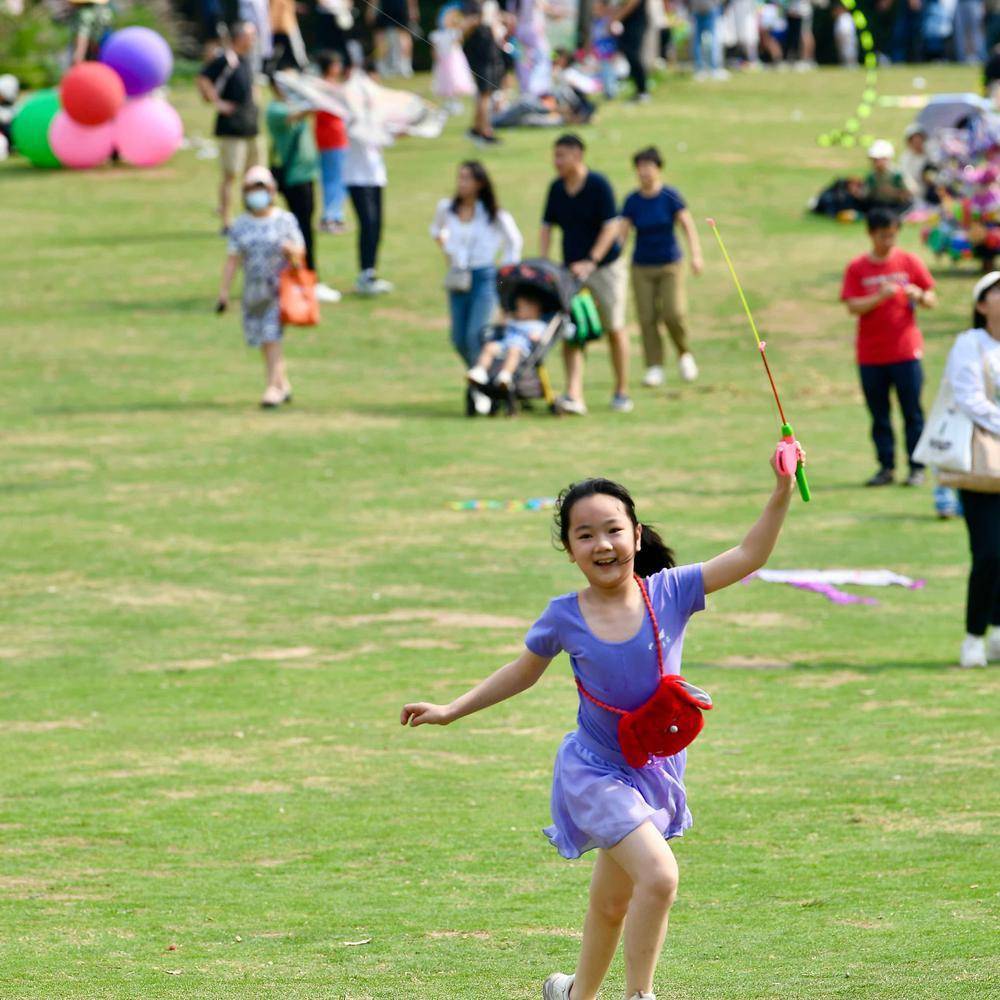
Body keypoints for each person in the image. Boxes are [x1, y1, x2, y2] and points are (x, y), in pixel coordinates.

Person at [400, 451, 800, 1000]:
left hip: (651, 769)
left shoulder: (672, 591)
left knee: (613, 903)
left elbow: (750, 554)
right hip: (594, 771)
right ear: (570, 551)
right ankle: (641, 996)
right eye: (585, 535)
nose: (602, 544)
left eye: (613, 530)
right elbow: (521, 673)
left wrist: (780, 491)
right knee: (658, 877)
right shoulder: (563, 615)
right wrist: (450, 708)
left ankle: (572, 994)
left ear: (636, 535)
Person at [841, 207, 936, 487]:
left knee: (913, 413)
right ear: (871, 234)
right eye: (883, 236)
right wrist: (879, 297)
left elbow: (932, 297)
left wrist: (919, 295)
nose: (889, 241)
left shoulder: (909, 261)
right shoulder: (857, 268)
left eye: (893, 235)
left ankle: (917, 467)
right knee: (879, 414)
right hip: (871, 355)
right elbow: (852, 306)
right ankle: (886, 467)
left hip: (906, 352)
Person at [540, 134, 631, 414]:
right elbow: (547, 227)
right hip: (570, 270)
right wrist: (544, 264)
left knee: (614, 327)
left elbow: (610, 227)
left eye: (562, 156)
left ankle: (621, 391)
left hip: (605, 267)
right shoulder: (556, 188)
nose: (556, 162)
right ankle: (574, 394)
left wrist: (592, 260)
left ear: (577, 156)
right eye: (555, 156)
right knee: (572, 330)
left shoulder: (598, 185)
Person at [217, 166, 305, 408]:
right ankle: (283, 383)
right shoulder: (241, 225)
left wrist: (291, 251)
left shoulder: (285, 220)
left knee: (271, 336)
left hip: (279, 288)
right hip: (253, 291)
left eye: (261, 189)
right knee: (264, 339)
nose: (257, 194)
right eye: (252, 190)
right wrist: (224, 292)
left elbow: (300, 252)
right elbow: (233, 259)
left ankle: (273, 388)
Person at [431, 161, 523, 383]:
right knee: (458, 338)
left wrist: (504, 277)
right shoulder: (447, 208)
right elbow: (436, 229)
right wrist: (445, 246)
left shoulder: (492, 214)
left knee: (476, 335)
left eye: (467, 178)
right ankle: (483, 377)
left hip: (485, 276)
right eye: (460, 178)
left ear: (480, 183)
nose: (462, 183)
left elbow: (514, 242)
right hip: (458, 275)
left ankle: (482, 381)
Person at [949, 272, 1000, 668]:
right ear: (981, 304)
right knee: (987, 552)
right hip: (983, 463)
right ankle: (973, 635)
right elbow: (969, 398)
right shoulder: (970, 344)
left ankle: (998, 630)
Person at [620, 146, 702, 389]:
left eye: (649, 166)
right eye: (640, 167)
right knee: (646, 317)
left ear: (658, 169)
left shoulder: (670, 196)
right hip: (641, 265)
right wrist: (616, 258)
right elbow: (623, 232)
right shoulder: (632, 201)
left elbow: (687, 225)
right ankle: (654, 366)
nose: (644, 172)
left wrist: (696, 255)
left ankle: (684, 354)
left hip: (670, 264)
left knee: (673, 313)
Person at [266, 77, 342, 303]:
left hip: (306, 176)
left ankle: (303, 275)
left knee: (304, 228)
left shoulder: (292, 104)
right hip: (294, 178)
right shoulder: (276, 109)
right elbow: (298, 115)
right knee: (302, 230)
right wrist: (315, 97)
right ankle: (307, 278)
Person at [197, 22, 262, 235]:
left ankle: (253, 216)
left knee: (255, 175)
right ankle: (227, 221)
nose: (253, 40)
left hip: (251, 125)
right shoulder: (226, 60)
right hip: (232, 128)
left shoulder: (247, 61)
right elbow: (203, 78)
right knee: (231, 175)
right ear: (239, 37)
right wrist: (218, 102)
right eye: (250, 35)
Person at [344, 92, 394, 296]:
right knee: (368, 223)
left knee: (377, 225)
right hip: (357, 179)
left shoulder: (375, 119)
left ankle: (371, 272)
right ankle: (364, 274)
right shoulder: (351, 120)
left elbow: (386, 139)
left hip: (375, 178)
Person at [466, 287, 547, 389]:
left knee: (513, 351)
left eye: (521, 308)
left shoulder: (537, 325)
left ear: (534, 310)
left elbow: (539, 337)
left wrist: (535, 337)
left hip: (521, 348)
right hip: (504, 344)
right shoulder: (514, 321)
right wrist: (504, 314)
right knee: (489, 347)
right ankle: (480, 370)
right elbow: (501, 324)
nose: (517, 310)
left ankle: (505, 374)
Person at [315, 51, 349, 235]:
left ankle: (333, 215)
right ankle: (331, 216)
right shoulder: (323, 87)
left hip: (334, 138)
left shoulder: (328, 86)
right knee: (334, 179)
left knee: (335, 178)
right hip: (332, 139)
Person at [463, 0, 505, 144]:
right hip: (482, 54)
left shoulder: (486, 5)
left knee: (484, 94)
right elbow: (465, 27)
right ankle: (485, 131)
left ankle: (476, 128)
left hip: (488, 53)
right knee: (485, 94)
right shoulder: (472, 7)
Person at [598, 0, 650, 100]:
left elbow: (631, 4)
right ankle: (638, 89)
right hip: (627, 23)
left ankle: (642, 91)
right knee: (627, 53)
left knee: (633, 55)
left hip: (636, 22)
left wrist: (615, 19)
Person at [431, 5, 476, 113]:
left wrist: (458, 25)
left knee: (455, 80)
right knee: (445, 82)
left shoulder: (454, 33)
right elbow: (434, 49)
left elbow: (458, 41)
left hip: (454, 63)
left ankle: (456, 102)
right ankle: (448, 102)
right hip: (443, 63)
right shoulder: (437, 35)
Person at [859, 139, 913, 213]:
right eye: (874, 160)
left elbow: (911, 192)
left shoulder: (897, 174)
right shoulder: (872, 176)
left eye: (878, 160)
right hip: (879, 204)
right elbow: (866, 194)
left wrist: (895, 193)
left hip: (897, 204)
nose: (876, 163)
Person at [688, 0, 727, 79]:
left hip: (697, 8)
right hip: (709, 8)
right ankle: (713, 68)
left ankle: (700, 69)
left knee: (698, 41)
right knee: (712, 40)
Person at [68, 0, 114, 65]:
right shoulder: (103, 9)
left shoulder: (84, 14)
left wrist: (77, 60)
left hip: (94, 53)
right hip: (108, 49)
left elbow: (83, 38)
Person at [832, 0, 859, 65]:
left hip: (848, 43)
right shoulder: (841, 18)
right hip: (844, 43)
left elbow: (845, 32)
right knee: (844, 59)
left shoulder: (845, 17)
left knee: (850, 58)